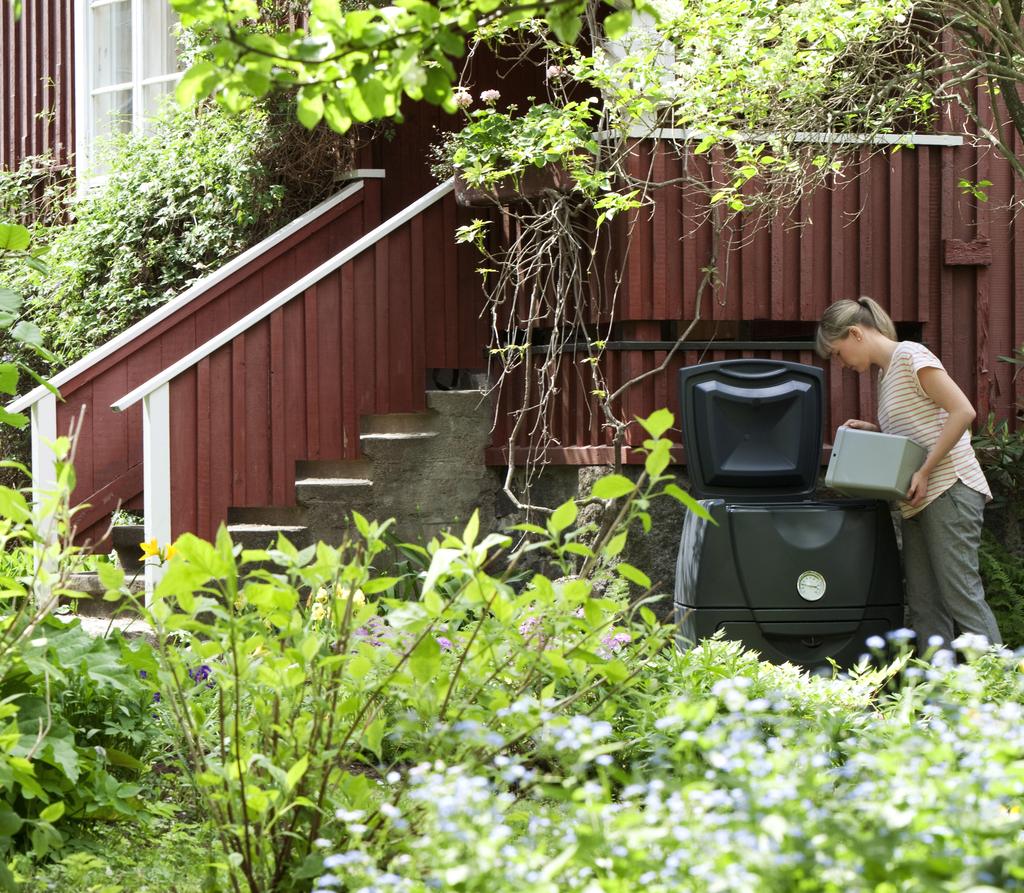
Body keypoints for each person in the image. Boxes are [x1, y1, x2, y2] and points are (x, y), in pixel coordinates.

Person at [816, 296, 1002, 649]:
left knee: (960, 597)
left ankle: (1002, 692)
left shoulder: (911, 356)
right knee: (925, 604)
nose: (839, 362)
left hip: (949, 487)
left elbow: (962, 412)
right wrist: (876, 433)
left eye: (838, 352)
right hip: (919, 498)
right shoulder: (887, 374)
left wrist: (926, 471)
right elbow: (918, 434)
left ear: (855, 333)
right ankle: (938, 698)